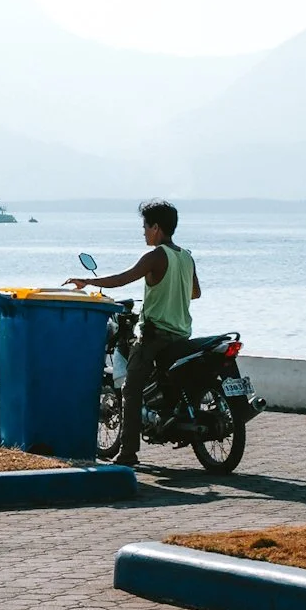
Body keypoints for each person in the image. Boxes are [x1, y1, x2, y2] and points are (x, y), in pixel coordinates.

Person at [66, 199, 197, 466]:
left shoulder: (156, 256)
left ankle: (128, 454)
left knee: (130, 389)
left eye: (145, 226)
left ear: (156, 228)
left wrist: (86, 281)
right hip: (182, 334)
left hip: (154, 335)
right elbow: (195, 292)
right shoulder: (186, 256)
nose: (143, 232)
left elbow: (122, 279)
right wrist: (172, 291)